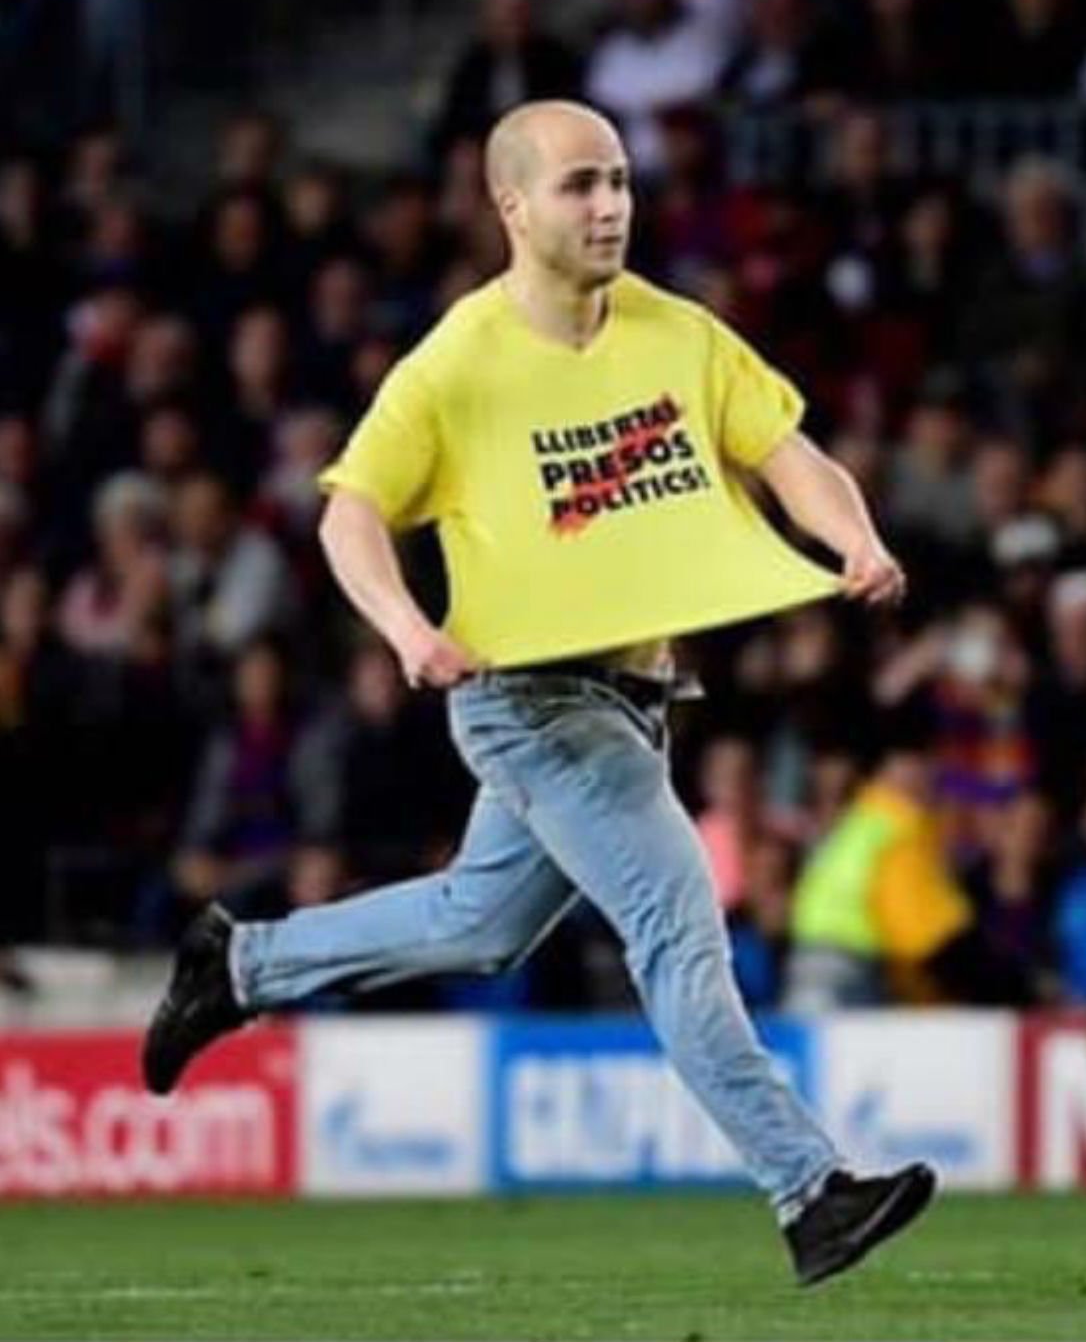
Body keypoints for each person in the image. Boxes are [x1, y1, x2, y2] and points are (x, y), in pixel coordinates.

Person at [141, 100, 932, 1288]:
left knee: (480, 920)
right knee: (677, 927)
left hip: (636, 699)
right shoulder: (458, 361)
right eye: (578, 185)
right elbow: (348, 511)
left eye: (617, 180)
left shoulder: (676, 333)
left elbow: (787, 453)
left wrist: (852, 541)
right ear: (510, 206)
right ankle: (811, 1187)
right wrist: (408, 627)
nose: (609, 204)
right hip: (527, 701)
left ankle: (239, 963)